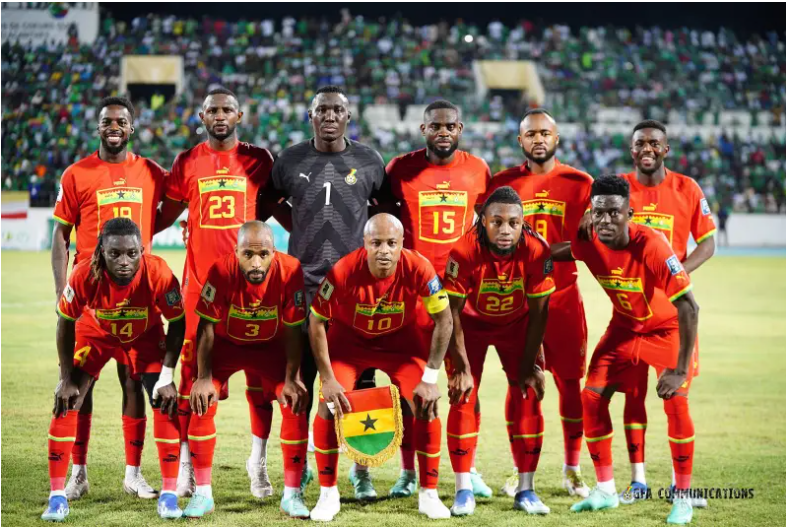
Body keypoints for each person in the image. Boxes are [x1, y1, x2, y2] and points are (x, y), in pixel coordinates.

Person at [155, 87, 286, 499]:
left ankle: (258, 462)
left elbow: (276, 210)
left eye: (227, 109)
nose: (220, 115)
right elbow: (165, 215)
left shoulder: (260, 160)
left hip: (252, 290)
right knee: (194, 382)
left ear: (239, 115)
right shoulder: (186, 162)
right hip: (200, 291)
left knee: (261, 380)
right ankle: (188, 466)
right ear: (201, 116)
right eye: (212, 110)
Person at [264, 85, 390, 499]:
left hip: (356, 291)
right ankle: (298, 471)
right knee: (300, 383)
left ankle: (361, 469)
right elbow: (268, 203)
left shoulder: (370, 161)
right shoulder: (289, 160)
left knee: (362, 380)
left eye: (337, 110)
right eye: (322, 110)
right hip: (303, 286)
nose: (330, 116)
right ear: (311, 116)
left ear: (348, 116)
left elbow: (384, 212)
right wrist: (298, 223)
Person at [554, 175, 700, 525]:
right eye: (599, 213)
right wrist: (523, 251)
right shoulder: (589, 239)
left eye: (614, 213)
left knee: (676, 401)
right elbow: (563, 252)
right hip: (624, 328)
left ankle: (683, 498)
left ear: (629, 213)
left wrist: (680, 370)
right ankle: (605, 490)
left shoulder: (652, 245)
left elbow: (690, 307)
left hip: (667, 330)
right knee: (591, 398)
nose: (606, 220)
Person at [51, 96, 167, 501]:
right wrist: (61, 292)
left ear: (132, 127)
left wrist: (147, 237)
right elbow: (60, 236)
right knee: (78, 386)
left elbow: (169, 207)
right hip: (90, 299)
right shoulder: (76, 174)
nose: (113, 126)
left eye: (121, 121)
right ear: (98, 126)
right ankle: (78, 474)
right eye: (107, 121)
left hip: (137, 297)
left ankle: (133, 474)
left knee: (134, 382)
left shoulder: (150, 171)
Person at [307, 214, 453, 521]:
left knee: (426, 402)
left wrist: (430, 377)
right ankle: (328, 494)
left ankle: (429, 493)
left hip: (401, 345)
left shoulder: (419, 267)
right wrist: (328, 378)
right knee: (328, 405)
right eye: (376, 243)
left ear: (402, 244)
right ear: (365, 244)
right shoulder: (344, 270)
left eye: (391, 243)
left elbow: (445, 319)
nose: (384, 250)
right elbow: (316, 321)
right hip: (349, 344)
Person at [479, 108, 593, 498]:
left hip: (563, 298)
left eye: (545, 133)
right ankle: (519, 469)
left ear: (556, 138)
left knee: (570, 384)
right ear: (520, 140)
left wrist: (537, 253)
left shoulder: (581, 183)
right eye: (531, 134)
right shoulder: (502, 183)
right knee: (522, 385)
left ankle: (572, 469)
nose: (538, 139)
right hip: (518, 302)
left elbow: (587, 243)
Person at [43, 218, 186, 521]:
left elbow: (177, 321)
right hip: (96, 333)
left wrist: (167, 376)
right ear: (101, 252)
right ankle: (57, 497)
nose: (124, 262)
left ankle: (169, 495)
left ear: (141, 251)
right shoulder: (83, 274)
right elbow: (65, 322)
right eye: (115, 254)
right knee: (68, 400)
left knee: (165, 400)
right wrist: (66, 378)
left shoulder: (158, 272)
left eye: (132, 254)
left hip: (144, 334)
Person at [386, 99, 492, 498]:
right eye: (435, 126)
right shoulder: (399, 169)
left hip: (462, 295)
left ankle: (469, 467)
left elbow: (487, 220)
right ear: (423, 129)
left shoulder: (478, 169)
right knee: (407, 387)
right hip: (412, 294)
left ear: (460, 128)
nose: (442, 132)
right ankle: (407, 472)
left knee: (466, 383)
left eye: (449, 126)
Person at [616, 120, 715, 504]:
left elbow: (707, 243)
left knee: (677, 399)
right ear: (631, 149)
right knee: (632, 396)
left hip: (672, 313)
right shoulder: (619, 189)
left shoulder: (687, 189)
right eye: (640, 143)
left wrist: (676, 274)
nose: (647, 149)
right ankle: (638, 482)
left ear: (666, 149)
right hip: (629, 311)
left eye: (654, 143)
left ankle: (681, 487)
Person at [183, 221, 310, 518]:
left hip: (270, 347)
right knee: (202, 401)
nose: (256, 263)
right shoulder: (221, 270)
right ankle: (203, 494)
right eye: (248, 254)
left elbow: (294, 330)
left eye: (263, 254)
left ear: (274, 251)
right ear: (236, 251)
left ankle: (292, 495)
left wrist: (292, 378)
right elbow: (206, 327)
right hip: (227, 346)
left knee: (294, 402)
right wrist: (204, 377)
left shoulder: (290, 270)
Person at [443, 186, 555, 516]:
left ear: (523, 223)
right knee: (462, 395)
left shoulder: (538, 250)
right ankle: (463, 489)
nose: (505, 230)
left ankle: (526, 489)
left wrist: (531, 365)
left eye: (513, 223)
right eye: (497, 222)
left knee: (528, 394)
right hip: (470, 327)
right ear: (483, 221)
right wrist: (461, 367)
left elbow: (540, 313)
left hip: (517, 326)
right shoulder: (463, 250)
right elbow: (452, 313)